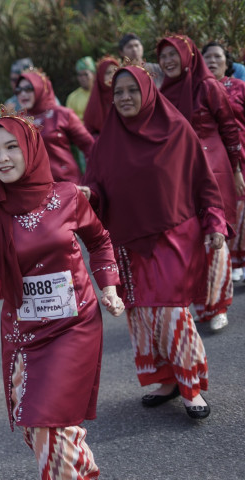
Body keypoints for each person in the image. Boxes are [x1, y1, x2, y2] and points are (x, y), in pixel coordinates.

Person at [0, 113, 123, 479]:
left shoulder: (67, 196)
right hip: (23, 330)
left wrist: (107, 284)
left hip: (73, 324)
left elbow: (99, 239)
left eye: (12, 147)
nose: (2, 158)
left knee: (48, 422)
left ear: (31, 149)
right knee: (33, 423)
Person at [84, 65, 227, 420]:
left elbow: (203, 183)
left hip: (173, 235)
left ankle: (191, 385)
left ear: (148, 90)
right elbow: (98, 188)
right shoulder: (105, 143)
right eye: (118, 92)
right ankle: (167, 380)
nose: (125, 98)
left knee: (169, 310)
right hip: (128, 242)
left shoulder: (178, 131)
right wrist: (88, 195)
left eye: (133, 89)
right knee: (142, 315)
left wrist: (215, 224)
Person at [158, 34, 245, 331]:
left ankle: (219, 304)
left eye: (174, 54)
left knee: (215, 235)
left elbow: (229, 128)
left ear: (188, 55)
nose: (168, 61)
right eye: (163, 56)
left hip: (214, 168)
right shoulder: (161, 92)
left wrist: (235, 170)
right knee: (190, 239)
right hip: (179, 174)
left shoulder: (207, 86)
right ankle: (201, 305)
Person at [203, 41, 245, 282]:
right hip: (217, 161)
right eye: (207, 56)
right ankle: (233, 263)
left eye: (218, 56)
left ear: (227, 62)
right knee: (229, 209)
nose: (213, 60)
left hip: (242, 154)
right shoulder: (200, 91)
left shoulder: (239, 87)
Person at [16, 69, 94, 183]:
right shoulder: (18, 121)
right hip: (34, 188)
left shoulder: (62, 114)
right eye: (18, 90)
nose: (23, 94)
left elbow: (90, 147)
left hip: (67, 184)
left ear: (40, 88)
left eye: (28, 89)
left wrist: (91, 179)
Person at [83, 56, 119, 136]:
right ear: (100, 76)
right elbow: (89, 129)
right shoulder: (95, 100)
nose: (112, 75)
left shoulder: (127, 96)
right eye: (108, 73)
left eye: (116, 71)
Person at [65, 56, 96, 121]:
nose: (83, 78)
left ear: (94, 75)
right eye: (80, 75)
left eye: (86, 74)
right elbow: (69, 120)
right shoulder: (72, 97)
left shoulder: (101, 94)